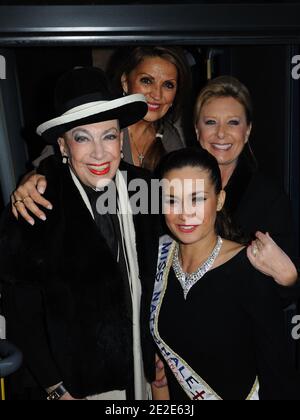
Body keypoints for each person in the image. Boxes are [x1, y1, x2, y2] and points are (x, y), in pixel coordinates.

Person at [0, 67, 160, 400]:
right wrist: (55, 387)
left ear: (121, 138)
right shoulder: (37, 206)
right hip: (80, 387)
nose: (100, 153)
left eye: (109, 135)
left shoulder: (145, 188)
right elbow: (22, 311)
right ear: (62, 145)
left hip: (143, 374)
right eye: (83, 137)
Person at [151, 148, 300, 400]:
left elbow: (278, 374)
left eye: (197, 199)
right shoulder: (156, 260)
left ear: (219, 200)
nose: (184, 213)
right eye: (172, 200)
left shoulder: (249, 269)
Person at [194, 76, 298, 288]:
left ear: (248, 130)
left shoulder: (269, 198)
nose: (221, 133)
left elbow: (286, 287)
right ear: (197, 130)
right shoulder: (176, 187)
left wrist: (289, 279)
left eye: (233, 122)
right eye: (211, 122)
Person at [32, 46, 191, 173]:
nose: (157, 94)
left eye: (168, 85)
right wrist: (33, 180)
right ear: (125, 82)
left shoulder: (171, 139)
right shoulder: (99, 122)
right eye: (147, 81)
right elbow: (43, 167)